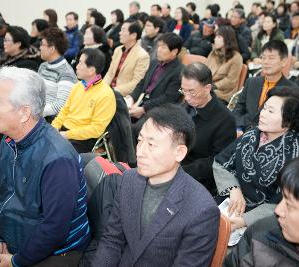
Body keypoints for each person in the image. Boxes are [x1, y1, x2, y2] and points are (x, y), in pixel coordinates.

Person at [0, 66, 91, 266]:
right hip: (16, 231)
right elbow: (2, 194)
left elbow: (54, 229)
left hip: (58, 250)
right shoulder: (9, 141)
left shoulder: (58, 159)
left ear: (24, 112)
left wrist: (16, 261)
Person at [92, 104, 220, 266]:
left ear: (179, 153)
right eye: (140, 141)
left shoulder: (201, 210)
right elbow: (112, 240)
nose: (139, 152)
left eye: (151, 145)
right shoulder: (129, 180)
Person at [214, 87, 299, 231]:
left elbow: (284, 202)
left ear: (289, 121)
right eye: (264, 108)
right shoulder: (251, 135)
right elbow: (221, 163)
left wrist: (244, 220)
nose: (262, 114)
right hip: (231, 202)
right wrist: (234, 189)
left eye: (271, 111)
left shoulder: (296, 154)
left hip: (263, 220)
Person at [180, 63, 236, 194]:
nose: (187, 97)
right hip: (175, 162)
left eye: (192, 92)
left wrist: (179, 171)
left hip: (198, 178)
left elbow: (217, 162)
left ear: (207, 88)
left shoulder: (225, 120)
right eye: (183, 90)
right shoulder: (186, 106)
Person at [52, 48, 116, 153]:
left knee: (53, 154)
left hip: (83, 139)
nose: (76, 66)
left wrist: (67, 135)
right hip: (64, 131)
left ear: (91, 70)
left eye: (81, 63)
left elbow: (96, 130)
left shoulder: (106, 95)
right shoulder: (78, 86)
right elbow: (64, 110)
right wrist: (54, 127)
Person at [126, 33, 183, 140]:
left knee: (135, 129)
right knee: (117, 117)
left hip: (157, 109)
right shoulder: (154, 63)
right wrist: (131, 98)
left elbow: (168, 98)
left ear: (174, 51)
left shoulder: (179, 71)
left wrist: (143, 109)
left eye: (163, 47)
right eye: (158, 46)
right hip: (140, 101)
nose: (158, 50)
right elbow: (142, 83)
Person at [234, 40, 298, 134]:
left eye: (271, 58)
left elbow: (289, 123)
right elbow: (238, 109)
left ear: (283, 61)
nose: (266, 62)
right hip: (243, 132)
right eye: (263, 58)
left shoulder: (291, 90)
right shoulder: (252, 82)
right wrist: (238, 128)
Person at [38, 27, 77, 121]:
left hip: (50, 120)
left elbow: (61, 104)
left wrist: (36, 113)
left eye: (42, 45)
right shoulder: (43, 66)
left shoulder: (66, 72)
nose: (40, 48)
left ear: (52, 49)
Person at [104, 19, 150, 96]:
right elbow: (110, 73)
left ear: (134, 35)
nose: (120, 33)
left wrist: (113, 91)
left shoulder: (142, 56)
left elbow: (136, 83)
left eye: (123, 30)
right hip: (108, 92)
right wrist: (103, 88)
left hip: (123, 96)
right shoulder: (118, 50)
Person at [206, 25, 243, 104]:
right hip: (208, 87)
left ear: (227, 39)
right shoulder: (213, 53)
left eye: (218, 37)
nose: (215, 39)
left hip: (223, 93)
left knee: (196, 97)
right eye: (215, 36)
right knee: (186, 90)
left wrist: (213, 86)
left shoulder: (236, 58)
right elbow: (205, 70)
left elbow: (230, 81)